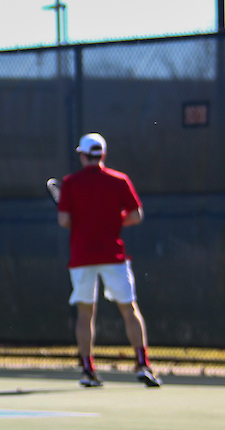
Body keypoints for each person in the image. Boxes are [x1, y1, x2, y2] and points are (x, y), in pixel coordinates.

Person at [57, 133, 161, 389]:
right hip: (112, 256)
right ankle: (142, 364)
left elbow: (64, 221)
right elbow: (136, 215)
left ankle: (87, 370)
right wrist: (113, 221)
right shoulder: (119, 180)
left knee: (85, 313)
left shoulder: (70, 183)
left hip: (82, 256)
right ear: (103, 155)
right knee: (129, 309)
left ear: (83, 155)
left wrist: (87, 224)